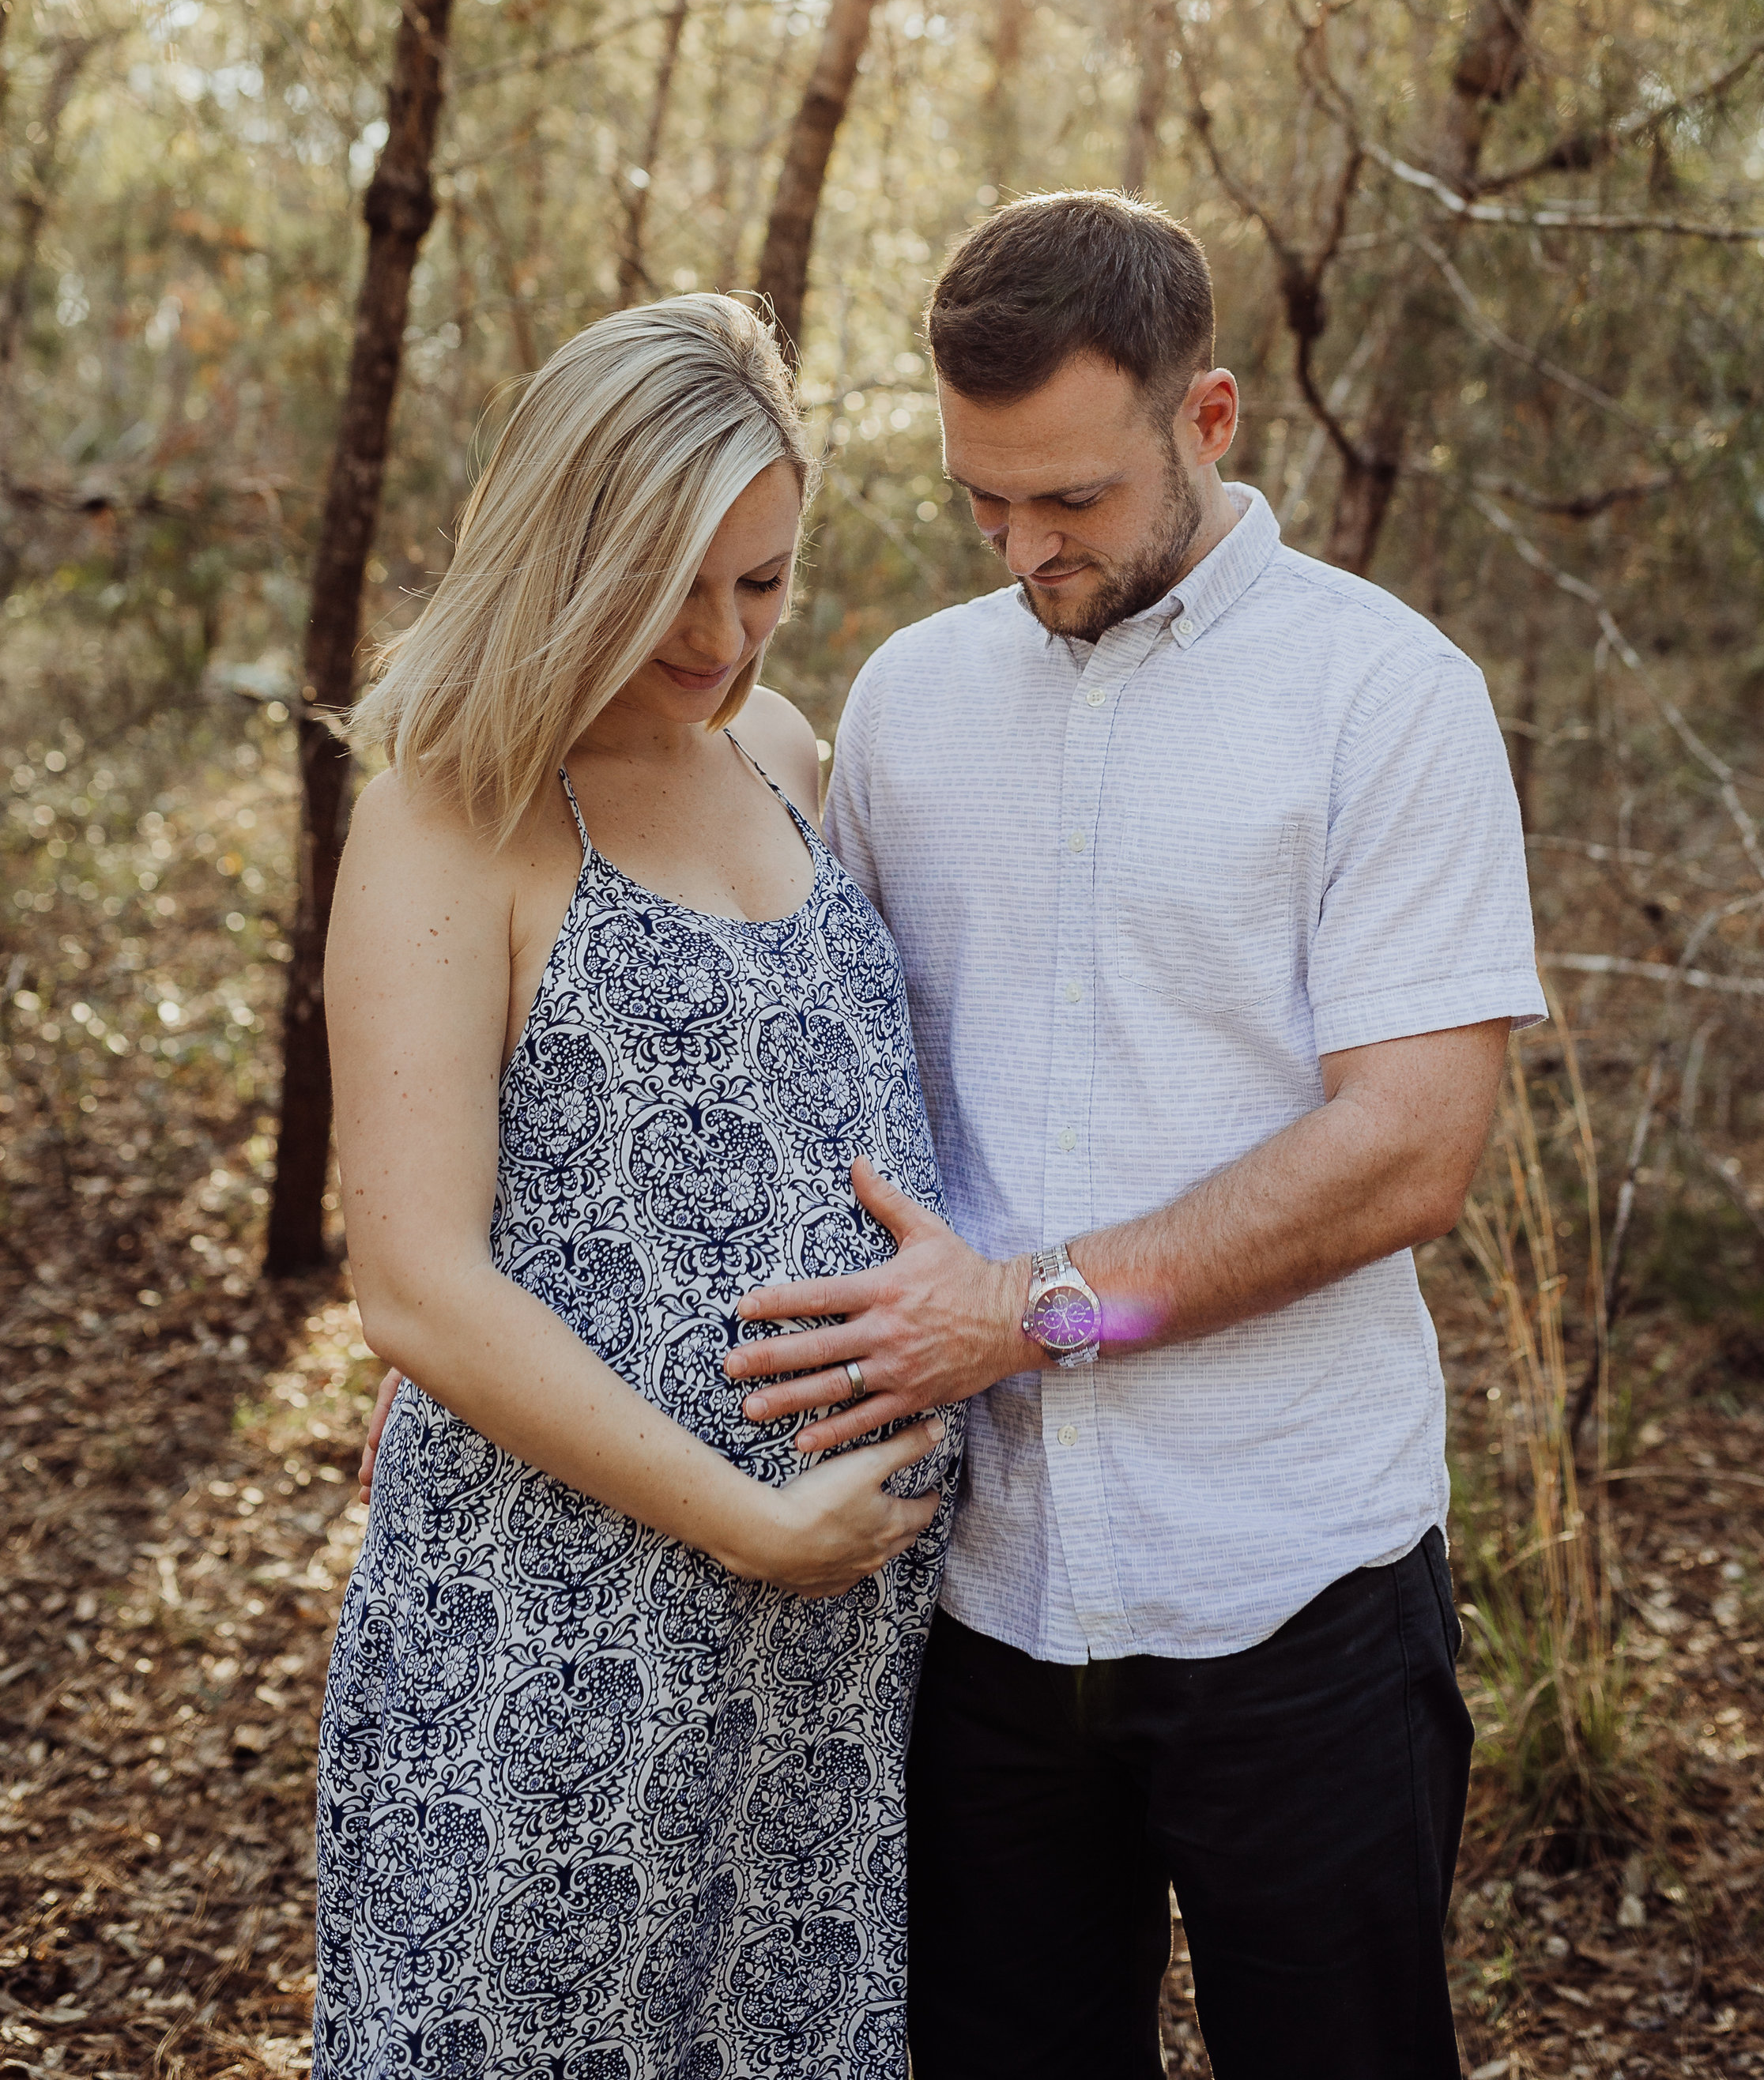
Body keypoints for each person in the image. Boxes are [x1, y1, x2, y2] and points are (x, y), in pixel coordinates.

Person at [721, 192, 1547, 2080]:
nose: (1024, 550)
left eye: (1070, 501)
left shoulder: (1386, 700)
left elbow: (1412, 1145)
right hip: (974, 1606)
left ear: (1209, 418)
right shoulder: (912, 703)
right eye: (981, 505)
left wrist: (1039, 1311)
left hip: (1296, 1595)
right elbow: (808, 1069)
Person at [315, 295, 957, 2080]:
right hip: (559, 1652)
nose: (719, 638)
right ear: (567, 547)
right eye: (674, 584)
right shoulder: (456, 812)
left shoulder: (786, 754)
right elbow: (419, 1286)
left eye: (760, 583)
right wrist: (754, 1521)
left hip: (828, 1686)